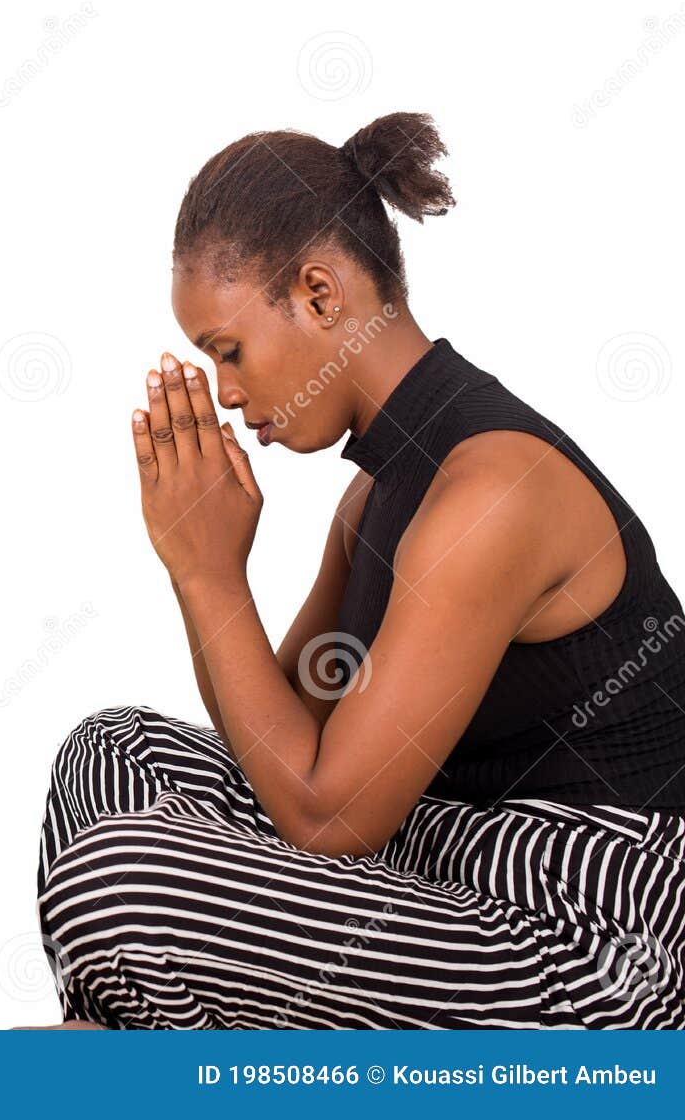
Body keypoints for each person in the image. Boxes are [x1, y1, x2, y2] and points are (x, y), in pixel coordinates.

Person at [37, 112, 685, 1029]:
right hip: (451, 855)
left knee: (123, 880)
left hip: (590, 937)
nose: (225, 389)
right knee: (111, 752)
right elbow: (285, 738)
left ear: (319, 293)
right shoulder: (377, 494)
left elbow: (327, 821)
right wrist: (203, 565)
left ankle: (126, 1068)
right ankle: (138, 1059)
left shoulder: (489, 494)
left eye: (228, 349)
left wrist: (210, 576)